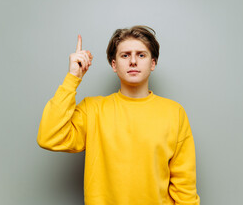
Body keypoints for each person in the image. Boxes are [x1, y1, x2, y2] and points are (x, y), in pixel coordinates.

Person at [37, 25, 200, 205]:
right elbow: (49, 136)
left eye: (141, 55)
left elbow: (185, 187)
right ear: (114, 64)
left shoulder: (174, 113)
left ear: (153, 63)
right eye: (125, 55)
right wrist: (72, 77)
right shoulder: (93, 110)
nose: (133, 61)